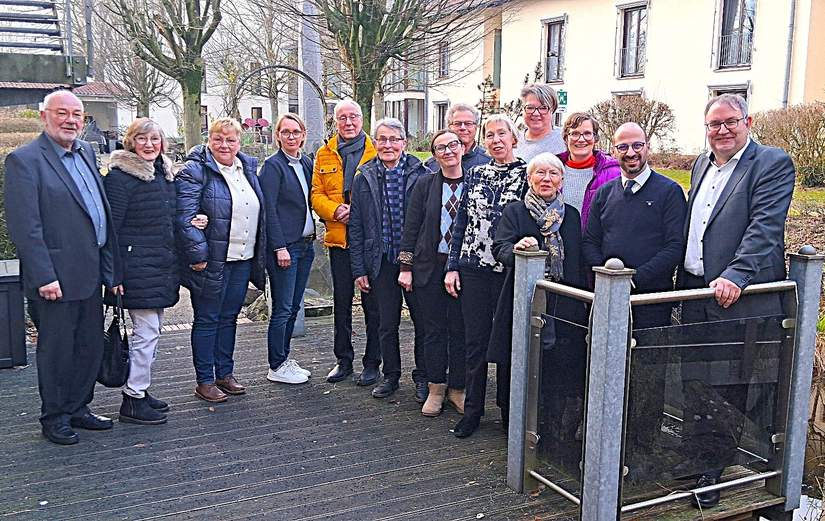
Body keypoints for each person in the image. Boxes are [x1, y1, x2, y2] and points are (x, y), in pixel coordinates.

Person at [677, 94, 795, 508]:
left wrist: (736, 274)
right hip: (695, 290)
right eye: (714, 124)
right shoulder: (701, 163)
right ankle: (695, 455)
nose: (722, 130)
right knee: (694, 379)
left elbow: (765, 226)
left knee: (728, 384)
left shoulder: (770, 163)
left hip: (736, 297)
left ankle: (713, 469)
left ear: (748, 122)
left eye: (730, 122)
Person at [5, 90, 120, 445]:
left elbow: (97, 214)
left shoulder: (85, 151)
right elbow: (26, 227)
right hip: (55, 278)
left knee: (88, 346)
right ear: (44, 116)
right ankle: (54, 417)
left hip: (90, 273)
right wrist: (44, 276)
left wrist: (111, 272)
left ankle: (78, 407)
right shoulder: (24, 161)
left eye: (77, 114)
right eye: (62, 113)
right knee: (57, 352)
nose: (70, 120)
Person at [582, 122, 687, 472]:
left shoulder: (669, 192)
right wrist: (607, 278)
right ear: (614, 151)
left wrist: (633, 281)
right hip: (608, 301)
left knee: (648, 378)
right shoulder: (604, 193)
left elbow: (674, 247)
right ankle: (608, 441)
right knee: (608, 372)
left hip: (650, 303)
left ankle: (642, 448)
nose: (631, 153)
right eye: (623, 147)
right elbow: (590, 241)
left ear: (647, 147)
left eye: (637, 145)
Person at [104, 118, 206, 424]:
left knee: (151, 332)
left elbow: (168, 219)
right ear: (131, 142)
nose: (149, 145)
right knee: (146, 334)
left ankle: (140, 390)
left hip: (158, 267)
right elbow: (110, 230)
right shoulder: (120, 178)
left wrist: (195, 221)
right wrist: (113, 275)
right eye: (142, 139)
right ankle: (133, 398)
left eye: (154, 139)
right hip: (135, 269)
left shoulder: (163, 174)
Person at [445, 114, 528, 438]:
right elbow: (461, 223)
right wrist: (452, 265)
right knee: (475, 342)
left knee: (507, 342)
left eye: (501, 134)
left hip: (508, 270)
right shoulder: (475, 173)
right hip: (473, 267)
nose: (496, 140)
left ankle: (508, 411)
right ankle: (472, 411)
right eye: (489, 135)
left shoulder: (526, 174)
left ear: (514, 139)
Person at [490, 152, 586, 434]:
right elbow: (500, 248)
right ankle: (514, 426)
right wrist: (517, 249)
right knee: (520, 360)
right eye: (540, 173)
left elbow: (576, 260)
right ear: (529, 178)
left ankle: (551, 427)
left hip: (562, 302)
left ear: (561, 180)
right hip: (523, 299)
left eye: (553, 174)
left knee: (558, 364)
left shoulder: (571, 215)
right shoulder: (515, 212)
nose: (546, 179)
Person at [176, 117, 267, 403]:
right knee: (207, 319)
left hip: (242, 258)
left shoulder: (247, 169)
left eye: (231, 139)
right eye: (218, 139)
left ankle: (224, 374)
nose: (224, 145)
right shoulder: (195, 171)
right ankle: (204, 380)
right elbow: (185, 217)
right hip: (212, 260)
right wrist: (198, 256)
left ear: (239, 142)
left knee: (229, 318)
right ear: (209, 140)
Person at [349, 118, 428, 399]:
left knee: (422, 321)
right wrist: (359, 269)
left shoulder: (422, 174)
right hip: (380, 261)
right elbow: (355, 226)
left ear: (404, 143)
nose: (388, 145)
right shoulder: (364, 176)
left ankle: (423, 376)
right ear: (375, 143)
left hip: (416, 263)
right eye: (382, 139)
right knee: (386, 322)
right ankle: (391, 375)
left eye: (394, 139)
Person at [311, 100, 382, 386]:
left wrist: (360, 211)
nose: (348, 122)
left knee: (373, 304)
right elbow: (316, 194)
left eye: (353, 117)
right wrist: (335, 210)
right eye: (342, 118)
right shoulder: (324, 153)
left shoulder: (376, 151)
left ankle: (373, 362)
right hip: (339, 239)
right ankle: (343, 360)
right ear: (335, 121)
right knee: (341, 303)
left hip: (369, 241)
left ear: (362, 119)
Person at [399, 130, 467, 416]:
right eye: (441, 147)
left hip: (463, 270)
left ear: (462, 148)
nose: (448, 151)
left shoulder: (474, 184)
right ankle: (436, 387)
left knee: (461, 331)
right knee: (433, 330)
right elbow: (411, 227)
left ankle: (458, 389)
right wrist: (406, 267)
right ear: (435, 155)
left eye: (453, 145)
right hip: (429, 267)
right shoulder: (424, 185)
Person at [259, 113, 315, 385]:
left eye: (296, 132)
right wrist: (279, 247)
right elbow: (268, 210)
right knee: (282, 308)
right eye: (285, 132)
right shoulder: (273, 166)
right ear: (277, 136)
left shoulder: (306, 163)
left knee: (293, 306)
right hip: (286, 248)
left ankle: (284, 358)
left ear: (303, 135)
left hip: (306, 246)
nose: (291, 137)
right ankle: (276, 364)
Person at [556, 112, 621, 228]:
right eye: (575, 134)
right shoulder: (553, 169)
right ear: (566, 138)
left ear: (595, 138)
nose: (581, 139)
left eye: (587, 134)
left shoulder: (614, 172)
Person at [425, 103, 490, 171]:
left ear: (476, 127)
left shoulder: (489, 162)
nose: (463, 128)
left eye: (468, 123)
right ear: (449, 127)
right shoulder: (431, 166)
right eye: (457, 124)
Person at [515, 84, 566, 162]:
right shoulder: (513, 141)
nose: (536, 113)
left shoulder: (565, 140)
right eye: (530, 108)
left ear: (552, 110)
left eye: (543, 108)